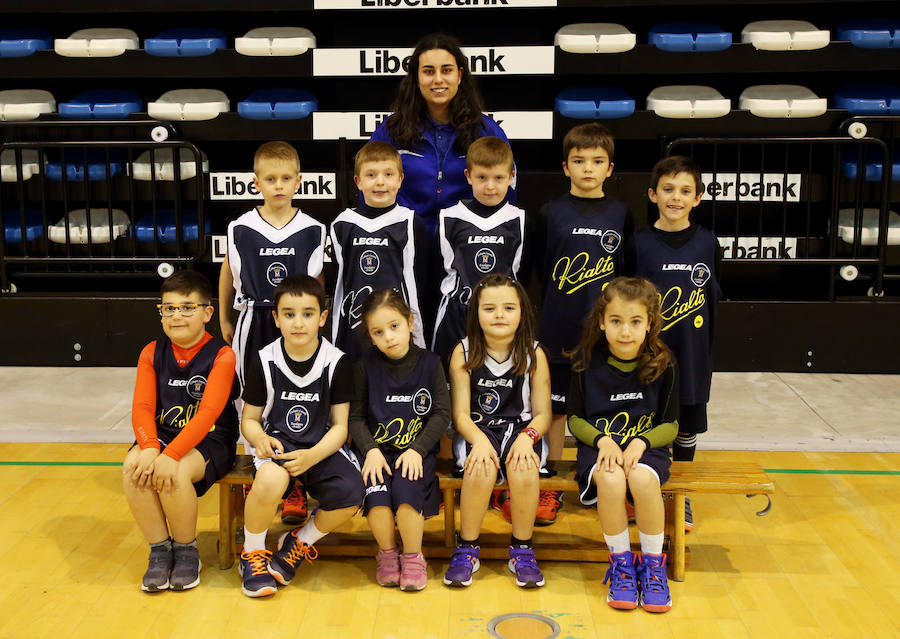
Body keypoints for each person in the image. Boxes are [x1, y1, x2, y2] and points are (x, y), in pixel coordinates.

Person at [529, 122, 634, 524]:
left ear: (610, 168)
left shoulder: (621, 213)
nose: (588, 168)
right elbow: (539, 272)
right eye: (578, 161)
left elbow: (625, 276)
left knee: (606, 411)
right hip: (558, 330)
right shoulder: (550, 213)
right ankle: (551, 485)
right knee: (555, 412)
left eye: (597, 161)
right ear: (565, 167)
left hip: (606, 336)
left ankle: (610, 483)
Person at [219, 141, 326, 526]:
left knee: (296, 395)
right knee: (252, 399)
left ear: (299, 181)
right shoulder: (240, 227)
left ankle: (294, 483)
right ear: (256, 182)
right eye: (270, 179)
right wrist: (226, 319)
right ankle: (259, 470)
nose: (278, 185)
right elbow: (228, 270)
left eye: (285, 178)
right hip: (254, 318)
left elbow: (317, 282)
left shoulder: (313, 229)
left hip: (296, 324)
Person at [236, 275, 364, 598]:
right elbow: (249, 420)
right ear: (276, 318)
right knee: (270, 481)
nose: (298, 322)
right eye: (289, 314)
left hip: (319, 448)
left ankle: (298, 542)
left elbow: (341, 427)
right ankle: (252, 553)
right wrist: (260, 439)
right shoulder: (264, 359)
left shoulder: (337, 362)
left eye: (308, 314)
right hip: (279, 445)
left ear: (322, 317)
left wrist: (312, 456)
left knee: (353, 494)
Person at [123, 270, 239, 592]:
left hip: (211, 438)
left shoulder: (222, 355)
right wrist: (150, 447)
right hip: (163, 434)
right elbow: (142, 407)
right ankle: (160, 551)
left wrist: (170, 455)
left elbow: (208, 415)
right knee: (133, 468)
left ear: (207, 313)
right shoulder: (151, 351)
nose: (177, 315)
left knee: (173, 473)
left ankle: (187, 551)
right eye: (169, 308)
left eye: (187, 308)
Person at [567, 277, 678, 613]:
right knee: (612, 480)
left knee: (642, 479)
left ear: (649, 324)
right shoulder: (585, 362)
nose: (625, 331)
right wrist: (602, 440)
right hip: (600, 449)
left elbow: (671, 425)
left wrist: (641, 442)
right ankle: (622, 566)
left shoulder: (664, 363)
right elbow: (575, 419)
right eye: (616, 321)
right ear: (602, 322)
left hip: (646, 449)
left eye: (635, 322)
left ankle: (654, 567)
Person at [629, 156, 722, 532]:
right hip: (649, 357)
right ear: (653, 194)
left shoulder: (707, 243)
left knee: (685, 428)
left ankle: (679, 497)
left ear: (698, 198)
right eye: (668, 189)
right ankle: (641, 492)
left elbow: (712, 301)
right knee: (646, 426)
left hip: (692, 356)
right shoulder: (639, 243)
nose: (676, 198)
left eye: (685, 191)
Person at [443, 274, 552, 589]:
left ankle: (522, 549)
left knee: (524, 468)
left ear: (522, 312)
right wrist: (478, 441)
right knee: (480, 468)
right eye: (489, 308)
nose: (499, 315)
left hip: (522, 429)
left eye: (508, 308)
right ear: (476, 313)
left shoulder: (534, 353)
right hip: (478, 429)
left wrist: (528, 438)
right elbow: (460, 415)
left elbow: (543, 415)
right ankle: (467, 548)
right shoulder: (463, 352)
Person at [349, 289, 451, 591]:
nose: (388, 337)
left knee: (406, 498)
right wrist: (370, 450)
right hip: (377, 454)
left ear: (410, 322)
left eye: (394, 326)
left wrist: (418, 450)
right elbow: (355, 417)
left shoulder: (430, 363)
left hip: (415, 454)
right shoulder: (365, 366)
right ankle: (388, 554)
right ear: (370, 336)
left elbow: (442, 413)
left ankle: (413, 556)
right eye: (378, 332)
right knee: (378, 501)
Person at [369, 33, 514, 237]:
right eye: (429, 71)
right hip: (404, 242)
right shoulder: (390, 131)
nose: (438, 79)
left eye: (446, 70)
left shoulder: (486, 131)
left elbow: (508, 194)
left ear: (459, 75)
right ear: (416, 77)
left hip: (467, 244)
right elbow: (368, 189)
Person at [330, 141, 427, 359]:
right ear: (358, 181)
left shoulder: (411, 222)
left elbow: (421, 281)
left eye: (388, 174)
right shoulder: (343, 224)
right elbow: (339, 281)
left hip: (397, 330)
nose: (380, 182)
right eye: (371, 175)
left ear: (400, 179)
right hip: (354, 327)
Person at [433, 136, 524, 365]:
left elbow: (525, 271)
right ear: (468, 176)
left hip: (502, 317)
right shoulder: (449, 218)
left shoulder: (520, 220)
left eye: (498, 178)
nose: (490, 186)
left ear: (511, 176)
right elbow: (435, 271)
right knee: (451, 379)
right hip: (456, 315)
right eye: (482, 177)